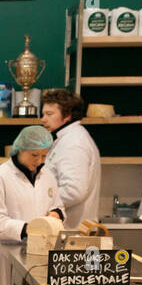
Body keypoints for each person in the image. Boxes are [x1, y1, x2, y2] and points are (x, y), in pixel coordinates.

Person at [0, 126, 64, 285]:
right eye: (35, 155)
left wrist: (55, 214)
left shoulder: (47, 176)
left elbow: (58, 205)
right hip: (4, 255)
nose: (40, 161)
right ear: (20, 149)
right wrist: (27, 228)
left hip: (38, 254)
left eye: (44, 156)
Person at [41, 88, 101, 229]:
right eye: (43, 114)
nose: (43, 119)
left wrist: (40, 199)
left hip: (71, 230)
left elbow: (74, 191)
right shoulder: (67, 138)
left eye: (49, 114)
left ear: (67, 115)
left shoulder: (74, 143)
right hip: (66, 229)